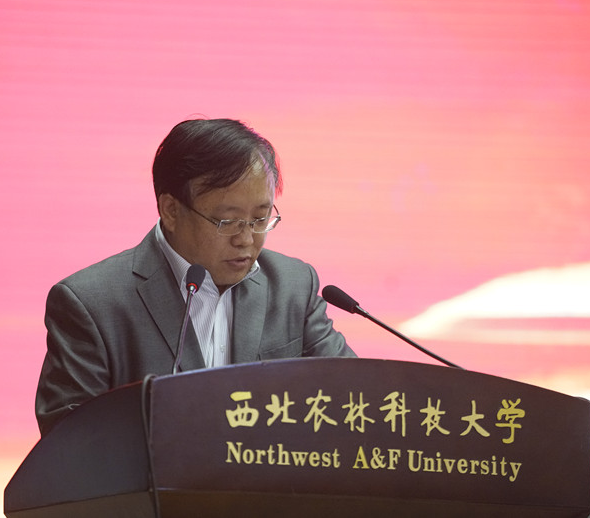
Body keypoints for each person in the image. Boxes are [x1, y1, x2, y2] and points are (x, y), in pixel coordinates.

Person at [35, 118, 355, 436]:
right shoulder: (92, 304)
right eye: (227, 221)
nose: (246, 239)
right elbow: (68, 442)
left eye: (260, 218)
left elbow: (353, 401)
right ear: (171, 210)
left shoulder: (293, 287)